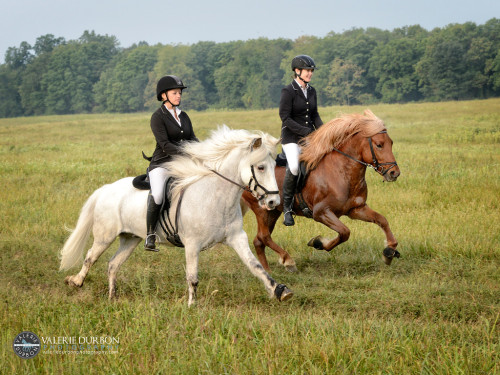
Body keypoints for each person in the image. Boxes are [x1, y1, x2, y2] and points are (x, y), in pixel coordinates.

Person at [144, 75, 199, 251]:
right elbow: (165, 145)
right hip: (162, 164)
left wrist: (204, 151)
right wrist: (188, 153)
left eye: (179, 93)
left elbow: (192, 138)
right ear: (163, 96)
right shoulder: (157, 117)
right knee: (159, 194)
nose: (178, 96)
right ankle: (150, 234)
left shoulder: (184, 116)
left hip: (182, 163)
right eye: (174, 93)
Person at [279, 55, 323, 226]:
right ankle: (288, 209)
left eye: (311, 71)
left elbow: (314, 115)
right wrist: (306, 131)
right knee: (295, 166)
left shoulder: (312, 91)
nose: (310, 74)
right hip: (290, 138)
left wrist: (323, 131)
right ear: (297, 71)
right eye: (307, 71)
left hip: (308, 137)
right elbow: (285, 118)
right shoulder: (288, 91)